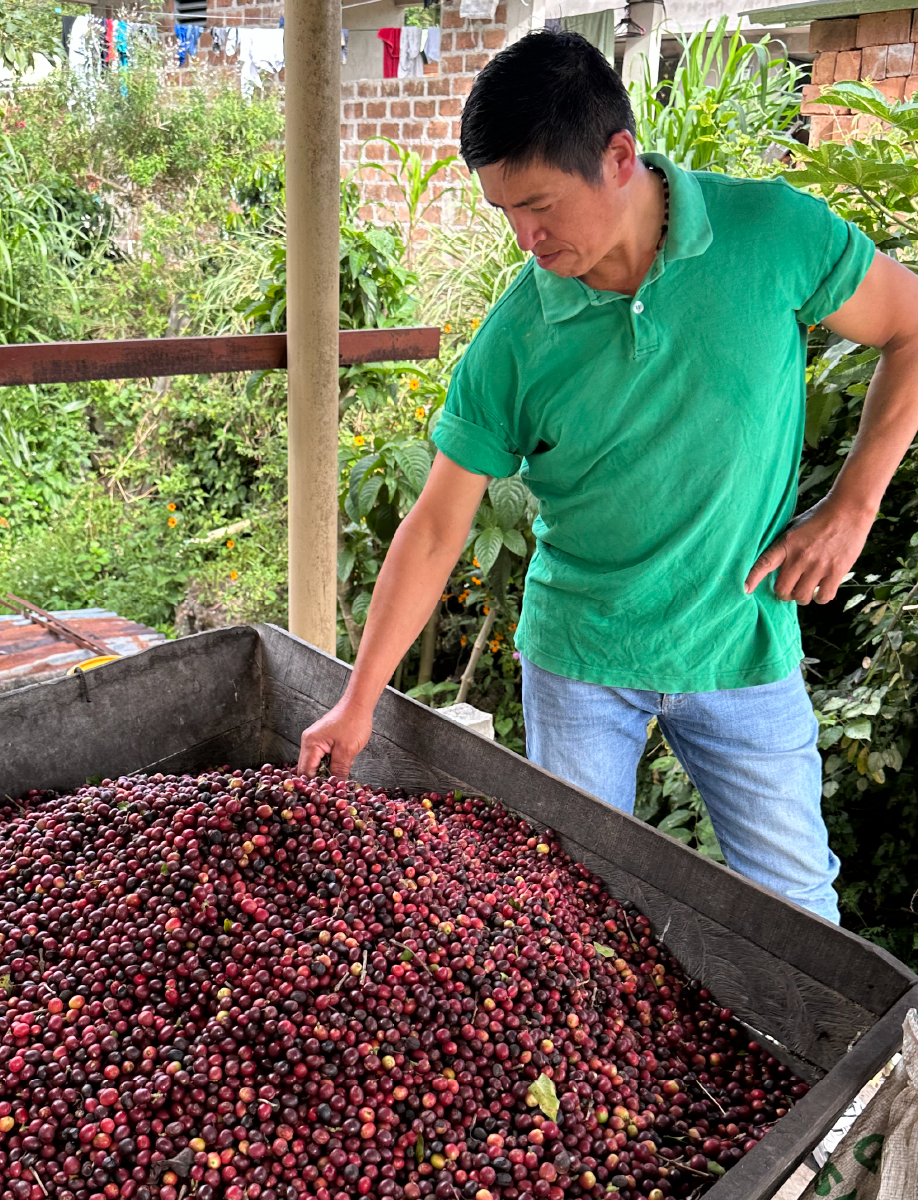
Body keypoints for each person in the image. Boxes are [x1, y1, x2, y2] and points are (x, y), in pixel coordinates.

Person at [297, 30, 918, 925]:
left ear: (619, 157)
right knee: (572, 919)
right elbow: (435, 528)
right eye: (505, 212)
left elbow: (909, 329)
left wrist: (853, 506)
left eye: (541, 205)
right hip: (580, 661)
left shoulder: (773, 235)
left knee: (799, 915)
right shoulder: (513, 341)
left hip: (741, 642)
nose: (526, 237)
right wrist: (357, 703)